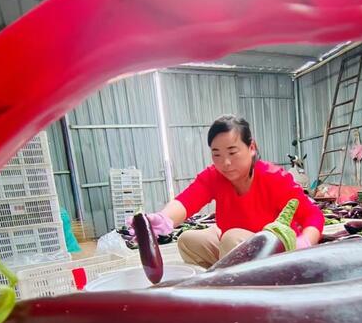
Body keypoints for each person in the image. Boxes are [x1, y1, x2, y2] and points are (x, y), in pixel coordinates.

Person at [130, 115, 324, 268]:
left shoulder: (273, 177)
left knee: (232, 239)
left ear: (251, 147)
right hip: (236, 247)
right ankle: (225, 279)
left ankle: (237, 291)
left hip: (276, 252)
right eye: (217, 154)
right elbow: (187, 201)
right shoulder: (215, 176)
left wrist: (304, 243)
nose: (226, 163)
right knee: (188, 240)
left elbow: (313, 215)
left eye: (232, 152)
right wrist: (163, 219)